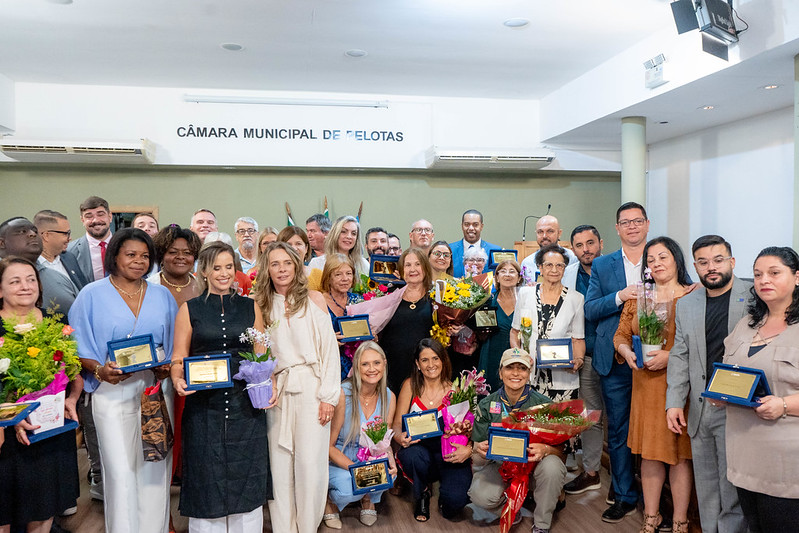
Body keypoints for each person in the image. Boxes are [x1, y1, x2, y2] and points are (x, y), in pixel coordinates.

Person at [69, 228, 178, 533]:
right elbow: (76, 349)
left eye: (145, 256)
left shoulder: (161, 294)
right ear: (114, 256)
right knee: (119, 470)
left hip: (154, 389)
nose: (139, 261)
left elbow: (172, 343)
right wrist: (98, 370)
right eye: (131, 254)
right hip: (111, 389)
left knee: (154, 467)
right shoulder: (91, 294)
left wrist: (165, 367)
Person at [170, 241, 274, 532]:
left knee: (246, 475)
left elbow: (262, 354)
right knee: (206, 475)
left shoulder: (250, 306)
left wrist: (269, 384)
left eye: (229, 266)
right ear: (204, 271)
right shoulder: (188, 310)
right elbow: (178, 357)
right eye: (217, 267)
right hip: (204, 408)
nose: (224, 273)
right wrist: (178, 378)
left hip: (246, 406)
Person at [252, 241, 340, 533]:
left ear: (296, 265)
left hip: (312, 390)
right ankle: (284, 528)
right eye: (274, 264)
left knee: (310, 466)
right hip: (278, 393)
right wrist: (267, 382)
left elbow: (330, 352)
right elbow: (260, 353)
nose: (281, 269)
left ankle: (308, 526)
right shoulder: (261, 304)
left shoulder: (314, 299)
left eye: (286, 263)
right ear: (267, 268)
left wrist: (328, 397)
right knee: (280, 466)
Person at [665, 235, 750, 533]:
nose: (710, 267)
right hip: (700, 408)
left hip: (739, 409)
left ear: (732, 262)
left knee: (733, 489)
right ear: (696, 266)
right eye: (702, 262)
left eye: (717, 260)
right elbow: (679, 355)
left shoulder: (754, 296)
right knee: (707, 485)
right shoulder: (688, 304)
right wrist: (674, 401)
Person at [614, 236, 694, 533]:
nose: (656, 263)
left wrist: (670, 357)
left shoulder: (692, 296)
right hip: (645, 384)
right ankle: (651, 516)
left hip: (678, 387)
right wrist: (626, 352)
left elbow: (701, 346)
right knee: (649, 454)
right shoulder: (639, 297)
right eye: (650, 260)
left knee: (678, 456)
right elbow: (620, 335)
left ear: (676, 260)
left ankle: (680, 520)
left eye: (663, 257)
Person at [718, 246, 799, 532]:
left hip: (786, 465)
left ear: (797, 277)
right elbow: (729, 372)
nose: (764, 280)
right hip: (744, 456)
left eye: (774, 273)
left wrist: (785, 405)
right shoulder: (745, 324)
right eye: (758, 274)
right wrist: (720, 393)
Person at [0, 257, 81, 533]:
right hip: (7, 437)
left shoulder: (55, 322)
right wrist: (12, 415)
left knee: (45, 507)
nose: (25, 287)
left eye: (31, 279)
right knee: (4, 512)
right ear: (0, 290)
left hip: (51, 429)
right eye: (15, 281)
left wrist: (71, 399)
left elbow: (72, 372)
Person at [584, 201, 650, 523]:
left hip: (656, 361)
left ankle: (654, 498)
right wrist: (620, 296)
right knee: (619, 430)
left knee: (654, 429)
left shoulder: (661, 257)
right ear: (617, 228)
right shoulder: (602, 265)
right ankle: (625, 495)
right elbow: (591, 310)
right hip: (616, 359)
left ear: (647, 225)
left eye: (638, 221)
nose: (632, 227)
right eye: (626, 222)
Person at [467, 348, 566, 533]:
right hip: (500, 466)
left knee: (553, 466)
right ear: (500, 372)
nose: (515, 373)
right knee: (478, 495)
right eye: (509, 367)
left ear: (529, 373)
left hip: (535, 468)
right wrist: (479, 449)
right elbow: (477, 453)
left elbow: (561, 452)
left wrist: (545, 450)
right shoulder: (486, 405)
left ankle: (542, 524)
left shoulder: (545, 405)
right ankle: (511, 509)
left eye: (522, 368)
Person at [148, 224, 202, 496]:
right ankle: (161, 511)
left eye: (188, 252)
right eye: (173, 252)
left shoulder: (202, 284)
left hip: (198, 375)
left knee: (191, 439)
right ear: (161, 254)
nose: (181, 257)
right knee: (162, 442)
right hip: (158, 375)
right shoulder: (149, 287)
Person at [393, 339, 471, 522]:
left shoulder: (455, 390)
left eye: (435, 358)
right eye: (425, 360)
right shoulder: (409, 386)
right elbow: (396, 424)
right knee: (412, 457)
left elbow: (465, 430)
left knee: (455, 505)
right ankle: (422, 493)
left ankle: (446, 494)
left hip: (447, 454)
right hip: (418, 451)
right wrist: (399, 437)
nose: (431, 365)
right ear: (417, 364)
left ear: (443, 360)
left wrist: (467, 445)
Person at [326, 342, 397, 528]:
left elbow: (384, 442)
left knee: (390, 474)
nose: (371, 369)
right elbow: (329, 446)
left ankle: (368, 499)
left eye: (376, 363)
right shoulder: (343, 394)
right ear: (356, 367)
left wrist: (392, 462)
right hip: (340, 458)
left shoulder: (389, 396)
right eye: (365, 364)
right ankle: (329, 501)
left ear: (385, 364)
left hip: (369, 458)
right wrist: (356, 469)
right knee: (350, 489)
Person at [561, 225, 606, 496]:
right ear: (573, 249)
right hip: (585, 357)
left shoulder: (613, 270)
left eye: (590, 243)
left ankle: (625, 477)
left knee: (622, 417)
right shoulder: (569, 275)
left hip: (618, 356)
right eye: (579, 245)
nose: (586, 249)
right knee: (591, 417)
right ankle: (591, 472)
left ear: (601, 243)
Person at [510, 244, 585, 401]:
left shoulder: (576, 298)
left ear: (565, 269)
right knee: (528, 423)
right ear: (540, 268)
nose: (554, 270)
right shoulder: (525, 294)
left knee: (560, 424)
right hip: (528, 375)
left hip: (562, 379)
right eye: (549, 265)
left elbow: (578, 338)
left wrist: (578, 360)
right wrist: (520, 356)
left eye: (560, 265)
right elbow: (515, 332)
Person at [379, 248, 435, 393]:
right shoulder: (390, 296)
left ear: (425, 267)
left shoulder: (437, 297)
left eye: (417, 264)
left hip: (426, 368)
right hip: (393, 367)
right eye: (407, 265)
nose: (413, 269)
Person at [33, 210, 89, 316]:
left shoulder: (69, 258)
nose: (70, 238)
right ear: (46, 235)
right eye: (66, 234)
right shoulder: (31, 267)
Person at [478, 259, 521, 391]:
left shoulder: (526, 301)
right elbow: (479, 332)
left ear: (519, 278)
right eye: (502, 271)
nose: (507, 275)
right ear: (496, 277)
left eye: (512, 271)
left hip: (518, 357)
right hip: (491, 355)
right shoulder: (487, 301)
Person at [320, 254, 360, 380]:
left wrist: (373, 336)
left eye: (349, 273)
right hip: (328, 367)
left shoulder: (359, 301)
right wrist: (329, 341)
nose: (345, 278)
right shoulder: (318, 302)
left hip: (357, 368)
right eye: (338, 274)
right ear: (328, 277)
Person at [67, 195, 113, 283]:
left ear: (110, 217)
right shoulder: (70, 252)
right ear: (82, 220)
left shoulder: (125, 246)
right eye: (89, 216)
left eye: (100, 214)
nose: (95, 220)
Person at [520, 215, 577, 284]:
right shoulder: (527, 263)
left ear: (559, 233)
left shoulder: (573, 258)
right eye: (540, 232)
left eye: (550, 231)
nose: (544, 236)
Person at [450, 210, 501, 277]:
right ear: (462, 226)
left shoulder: (495, 251)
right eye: (467, 224)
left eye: (475, 225)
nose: (471, 228)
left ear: (481, 226)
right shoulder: (450, 250)